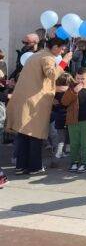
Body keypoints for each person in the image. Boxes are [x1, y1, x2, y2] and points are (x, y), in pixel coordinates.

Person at [6, 37, 71, 175]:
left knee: (24, 135)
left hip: (25, 100)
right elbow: (52, 75)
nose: (63, 51)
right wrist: (65, 61)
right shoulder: (47, 57)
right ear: (55, 47)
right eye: (62, 49)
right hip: (35, 102)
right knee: (35, 135)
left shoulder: (35, 55)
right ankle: (34, 167)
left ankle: (21, 166)